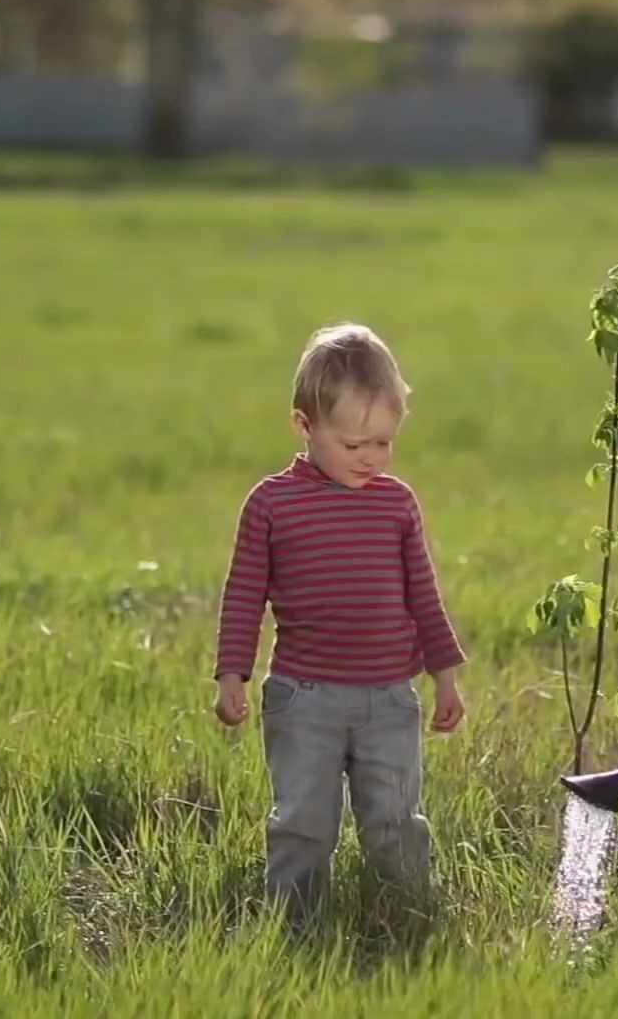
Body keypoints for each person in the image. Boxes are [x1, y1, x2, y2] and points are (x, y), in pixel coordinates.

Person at [211, 322, 468, 927]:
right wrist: (232, 673)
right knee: (302, 820)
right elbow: (244, 593)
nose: (371, 459)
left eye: (383, 443)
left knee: (395, 819)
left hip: (388, 699)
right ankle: (295, 925)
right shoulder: (271, 505)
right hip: (304, 700)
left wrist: (447, 676)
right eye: (354, 445)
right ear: (304, 426)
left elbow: (422, 594)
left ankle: (406, 915)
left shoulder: (396, 503)